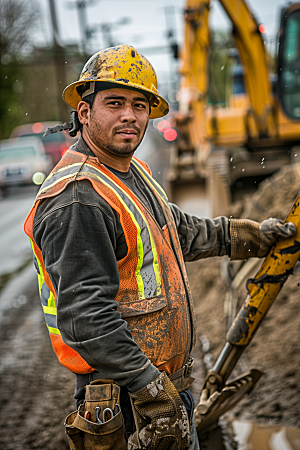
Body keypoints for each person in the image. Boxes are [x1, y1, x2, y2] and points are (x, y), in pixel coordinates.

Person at [24, 45, 296, 450]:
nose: (129, 116)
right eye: (114, 103)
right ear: (84, 112)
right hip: (131, 403)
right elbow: (85, 317)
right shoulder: (78, 199)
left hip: (162, 391)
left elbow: (177, 230)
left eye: (139, 105)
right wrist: (149, 387)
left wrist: (250, 235)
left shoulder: (130, 172)